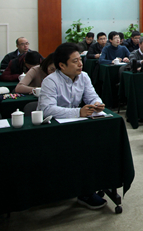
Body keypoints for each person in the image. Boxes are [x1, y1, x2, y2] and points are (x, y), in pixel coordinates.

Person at [37, 42, 107, 210]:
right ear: (62, 65)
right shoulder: (50, 81)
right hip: (54, 130)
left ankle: (94, 185)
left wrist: (97, 104)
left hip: (77, 126)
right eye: (75, 61)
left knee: (100, 144)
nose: (80, 64)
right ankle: (82, 191)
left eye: (80, 60)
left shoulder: (84, 76)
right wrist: (78, 112)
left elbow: (92, 96)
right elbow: (46, 110)